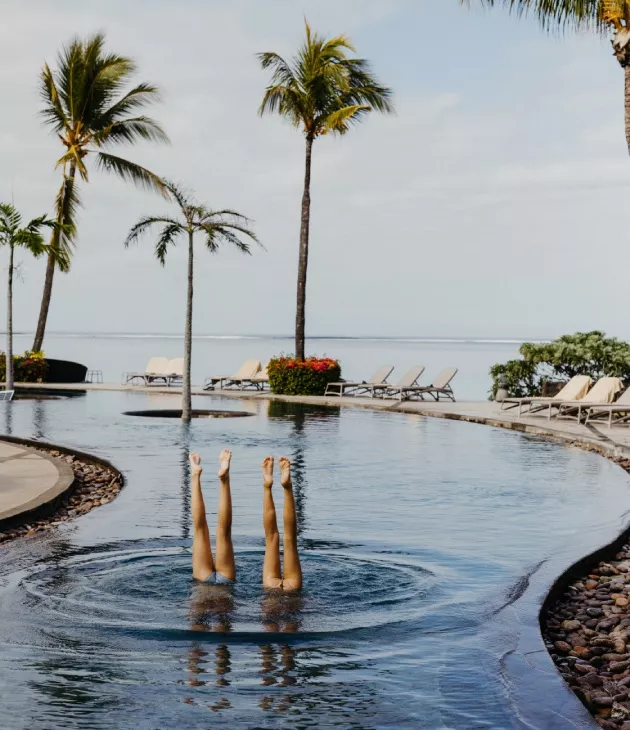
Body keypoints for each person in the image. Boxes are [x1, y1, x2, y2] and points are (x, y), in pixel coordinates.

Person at [190, 450, 236, 584]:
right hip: (210, 585)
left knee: (217, 531)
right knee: (213, 531)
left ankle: (197, 475)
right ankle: (222, 479)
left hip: (210, 585)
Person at [261, 456, 303, 591]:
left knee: (273, 538)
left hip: (279, 587)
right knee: (287, 538)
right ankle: (285, 487)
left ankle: (270, 486)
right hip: (277, 587)